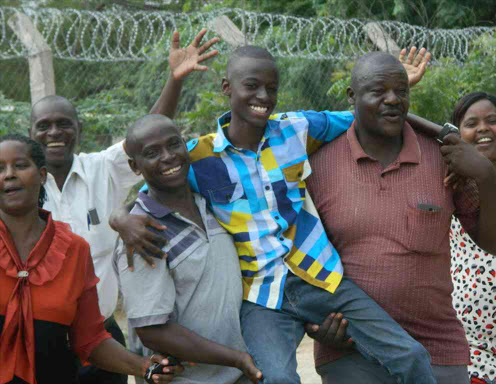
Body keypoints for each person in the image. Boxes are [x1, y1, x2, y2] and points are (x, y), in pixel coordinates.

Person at [111, 44, 441, 384]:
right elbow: (151, 183)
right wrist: (119, 219)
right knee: (276, 379)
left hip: (320, 278)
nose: (263, 96)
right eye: (251, 86)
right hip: (260, 295)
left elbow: (363, 114)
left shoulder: (297, 129)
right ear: (227, 88)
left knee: (411, 356)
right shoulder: (198, 157)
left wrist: (422, 114)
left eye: (271, 88)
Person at [307, 53, 496, 384]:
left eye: (401, 91)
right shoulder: (318, 166)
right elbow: (296, 259)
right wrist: (316, 325)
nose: (393, 100)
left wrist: (485, 176)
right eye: (378, 91)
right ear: (351, 97)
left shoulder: (443, 157)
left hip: (436, 350)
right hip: (351, 350)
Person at [27, 29, 219, 384]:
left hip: (102, 337)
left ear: (79, 130)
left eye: (64, 124)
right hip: (42, 341)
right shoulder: (21, 189)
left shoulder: (103, 169)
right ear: (31, 133)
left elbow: (147, 138)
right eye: (44, 126)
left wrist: (174, 81)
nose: (55, 132)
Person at [0, 133, 178, 384]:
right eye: (0, 168)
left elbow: (89, 339)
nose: (9, 174)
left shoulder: (73, 250)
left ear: (41, 175)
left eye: (19, 166)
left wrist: (144, 367)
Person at [112, 114, 263, 384]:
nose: (168, 156)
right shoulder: (143, 234)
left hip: (237, 373)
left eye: (174, 144)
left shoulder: (212, 202)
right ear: (135, 167)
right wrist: (236, 358)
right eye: (152, 153)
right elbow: (152, 331)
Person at [449, 92, 496, 384]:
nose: (483, 128)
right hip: (468, 346)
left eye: (492, 121)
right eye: (471, 123)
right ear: (457, 134)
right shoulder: (448, 185)